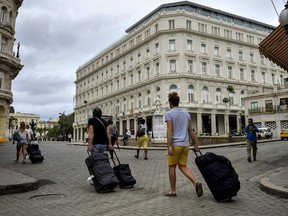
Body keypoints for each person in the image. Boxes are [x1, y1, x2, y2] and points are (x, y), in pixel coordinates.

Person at [164, 92, 203, 197]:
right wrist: (195, 144)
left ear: (170, 103)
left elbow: (169, 130)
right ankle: (195, 182)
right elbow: (190, 130)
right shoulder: (186, 114)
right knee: (183, 166)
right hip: (185, 145)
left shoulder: (169, 114)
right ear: (178, 102)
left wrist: (169, 146)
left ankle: (173, 191)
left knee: (172, 166)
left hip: (175, 144)